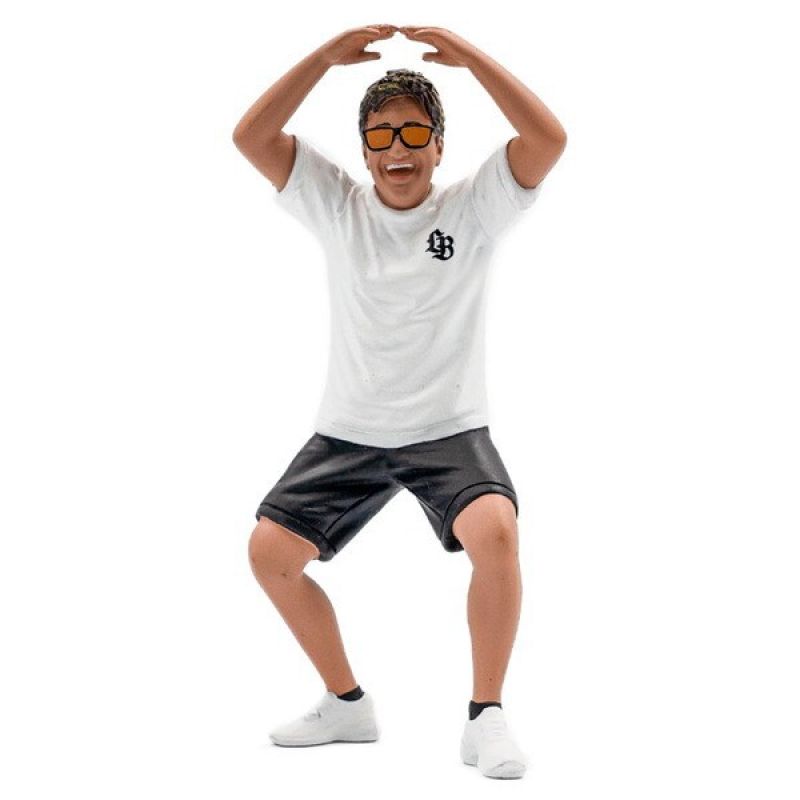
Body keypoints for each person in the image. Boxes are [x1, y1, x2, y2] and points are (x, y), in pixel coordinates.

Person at [232, 24, 566, 779]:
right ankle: (346, 704)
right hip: (350, 430)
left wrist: (473, 59)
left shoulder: (473, 209)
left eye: (415, 132)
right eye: (381, 135)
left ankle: (486, 716)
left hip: (447, 429)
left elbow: (548, 139)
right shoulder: (337, 204)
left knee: (496, 533)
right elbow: (252, 136)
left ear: (440, 146)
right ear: (363, 149)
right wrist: (321, 60)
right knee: (270, 554)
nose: (398, 150)